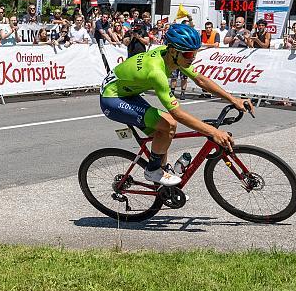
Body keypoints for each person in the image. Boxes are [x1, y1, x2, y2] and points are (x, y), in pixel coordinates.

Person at [100, 23, 253, 186]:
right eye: (188, 54)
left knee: (161, 135)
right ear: (173, 50)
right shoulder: (156, 72)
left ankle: (163, 183)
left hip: (128, 93)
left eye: (194, 53)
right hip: (112, 98)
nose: (192, 58)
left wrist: (234, 99)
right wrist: (214, 132)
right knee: (169, 124)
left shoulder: (174, 57)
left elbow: (201, 80)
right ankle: (152, 170)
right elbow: (177, 113)